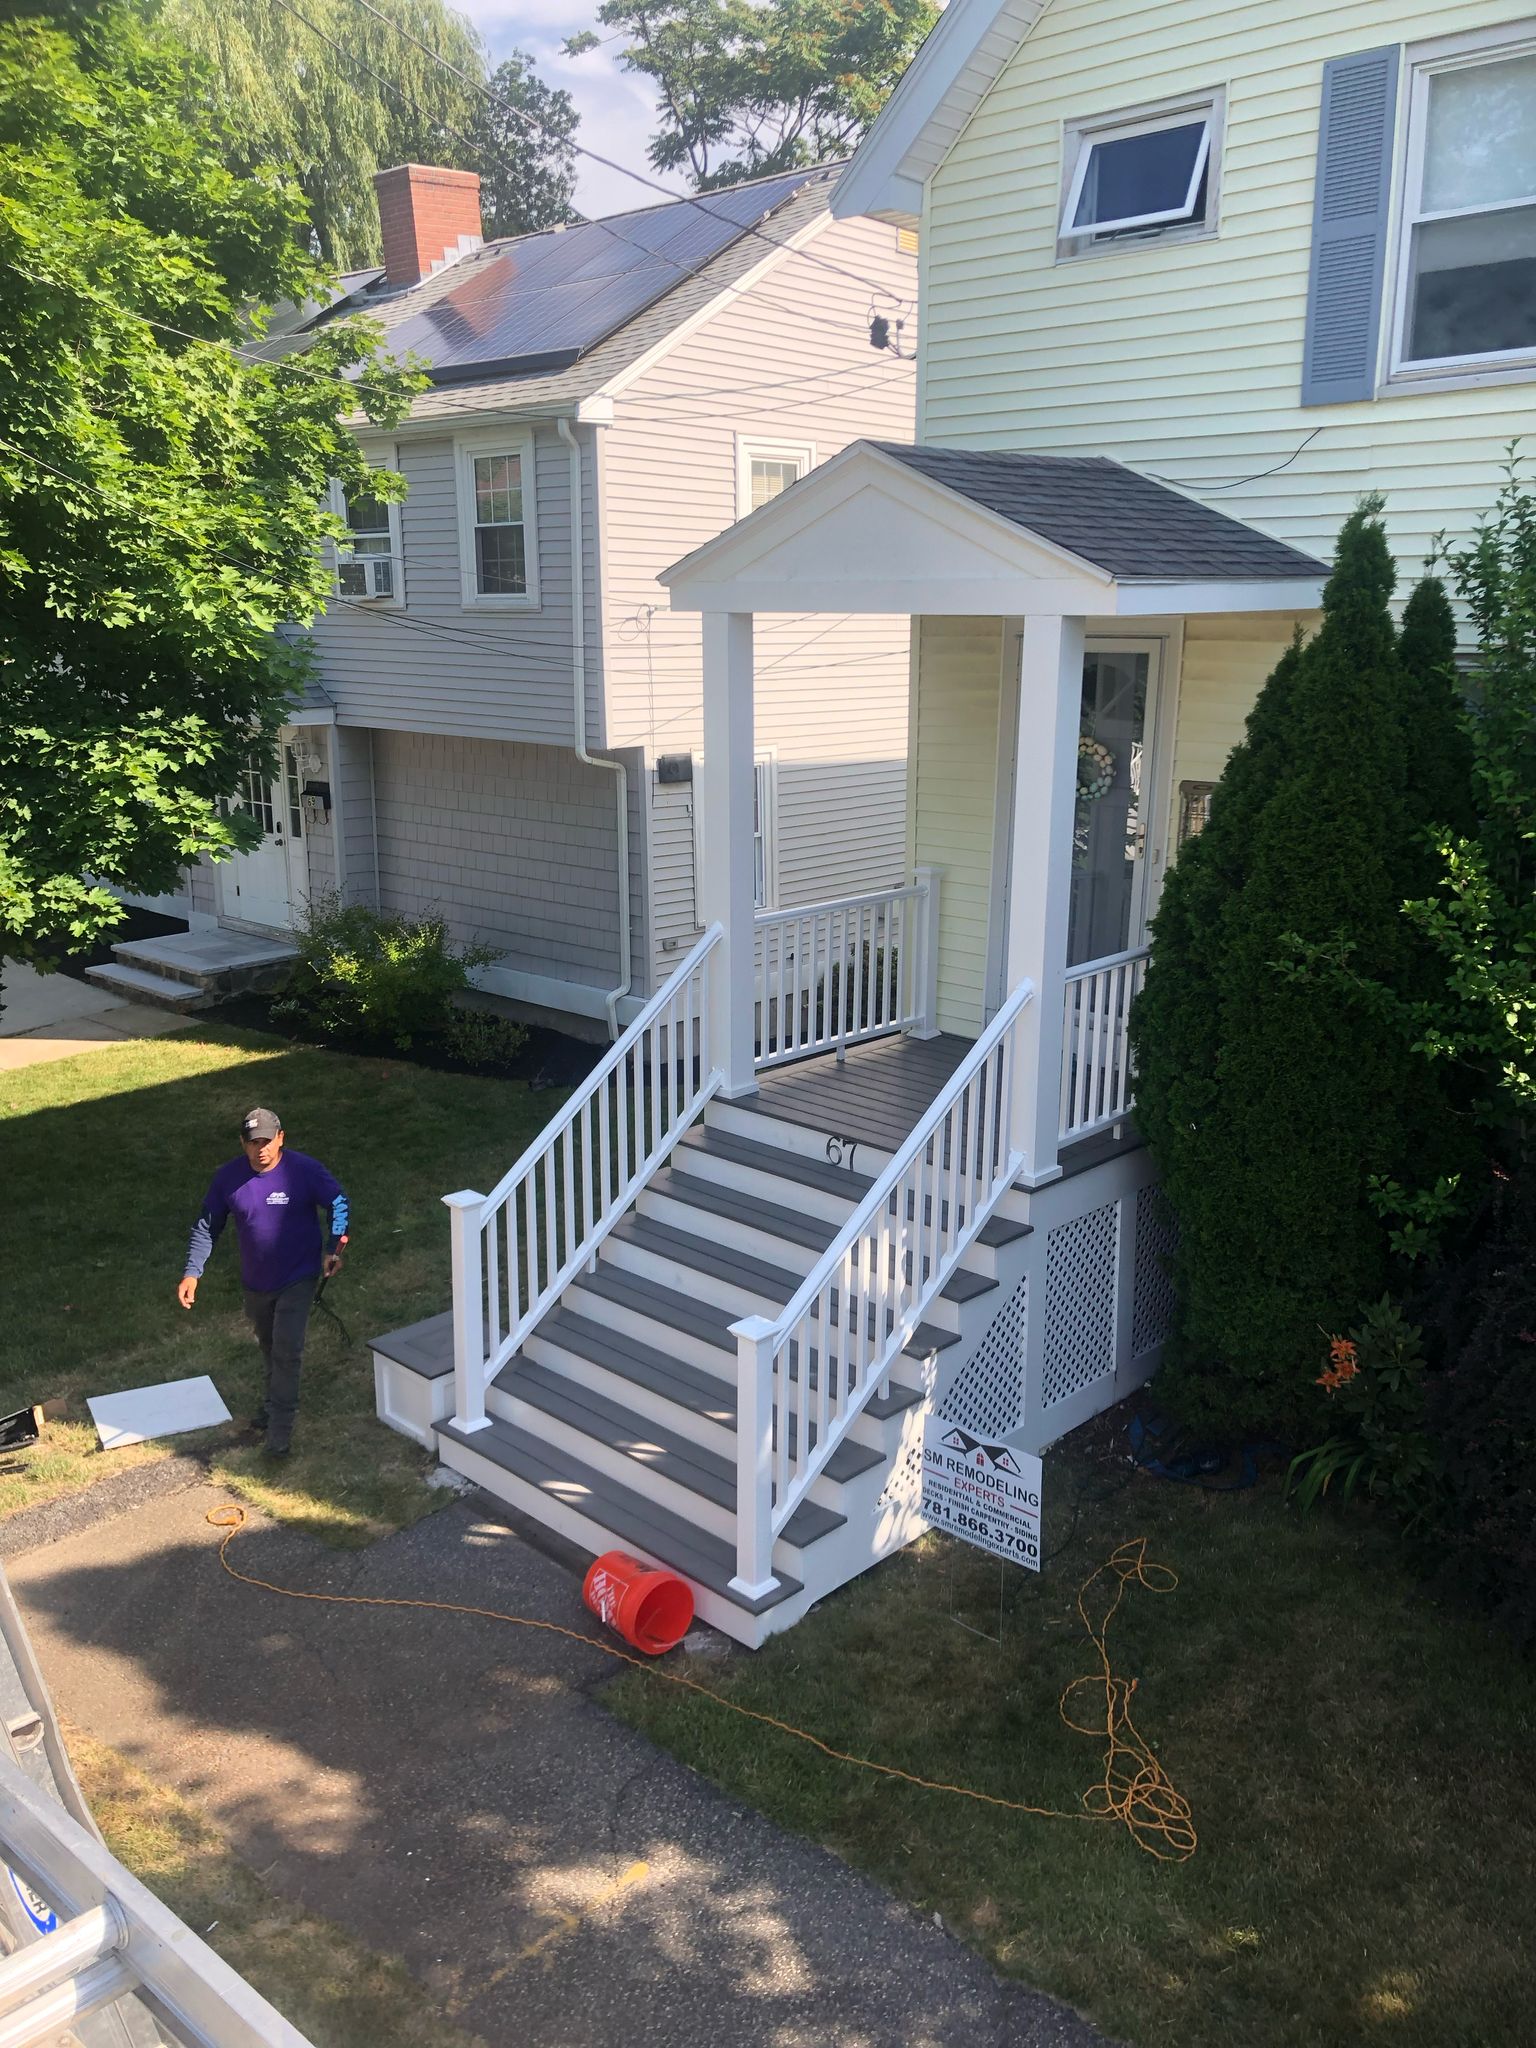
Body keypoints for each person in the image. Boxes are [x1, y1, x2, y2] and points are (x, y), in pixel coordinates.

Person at [177, 1108, 349, 1458]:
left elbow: (339, 1203)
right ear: (243, 1144)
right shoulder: (228, 1179)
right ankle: (272, 1405)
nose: (261, 1150)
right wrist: (192, 1271)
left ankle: (279, 1434)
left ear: (281, 1138)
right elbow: (207, 1225)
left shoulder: (303, 1171)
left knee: (287, 1351)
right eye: (253, 1143)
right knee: (269, 1347)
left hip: (298, 1277)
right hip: (256, 1282)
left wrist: (334, 1247)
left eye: (267, 1141)